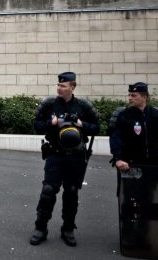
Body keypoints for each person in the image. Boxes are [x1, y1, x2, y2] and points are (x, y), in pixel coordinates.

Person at [30, 72, 100, 247]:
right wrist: (51, 124)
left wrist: (82, 125)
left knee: (71, 193)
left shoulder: (83, 106)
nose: (59, 88)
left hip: (76, 157)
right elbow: (36, 126)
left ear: (72, 87)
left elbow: (97, 128)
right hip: (55, 154)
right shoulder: (50, 105)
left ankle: (68, 229)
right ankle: (40, 228)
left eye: (63, 86)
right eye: (58, 85)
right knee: (48, 191)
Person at [108, 82, 158, 250]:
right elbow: (115, 138)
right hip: (130, 165)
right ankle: (128, 236)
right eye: (129, 95)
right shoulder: (123, 115)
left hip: (151, 164)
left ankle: (143, 236)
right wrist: (118, 158)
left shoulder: (157, 115)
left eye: (134, 95)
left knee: (148, 200)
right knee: (129, 201)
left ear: (144, 96)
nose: (130, 98)